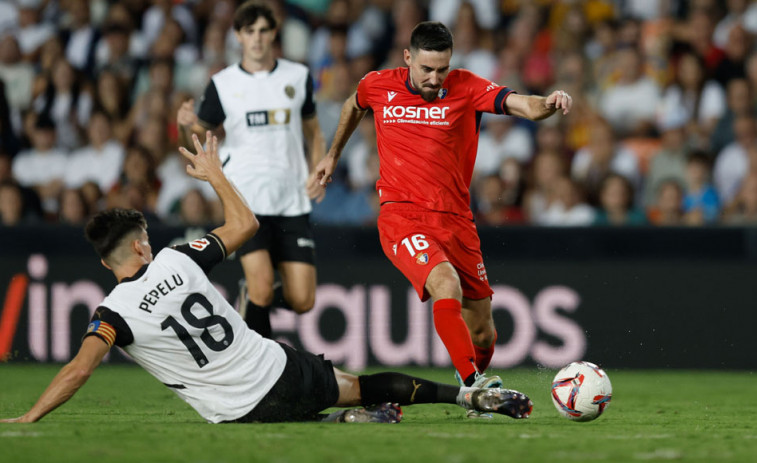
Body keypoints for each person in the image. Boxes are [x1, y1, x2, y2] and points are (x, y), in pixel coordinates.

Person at [0, 132, 532, 425]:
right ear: (142, 244)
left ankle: (331, 423)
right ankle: (463, 397)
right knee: (360, 385)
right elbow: (245, 225)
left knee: (290, 410)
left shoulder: (112, 314)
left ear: (104, 263)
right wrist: (215, 175)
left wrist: (30, 416)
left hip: (237, 414)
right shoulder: (181, 259)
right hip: (279, 371)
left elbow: (78, 370)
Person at [314, 21, 571, 418]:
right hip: (401, 216)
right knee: (444, 282)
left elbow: (523, 104)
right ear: (408, 58)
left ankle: (474, 390)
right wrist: (332, 155)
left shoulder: (467, 87)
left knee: (484, 331)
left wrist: (549, 102)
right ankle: (473, 386)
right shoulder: (378, 84)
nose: (435, 79)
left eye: (442, 69)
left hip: (455, 221)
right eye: (426, 69)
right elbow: (353, 104)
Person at [177, 1, 326, 339]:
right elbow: (197, 141)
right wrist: (184, 126)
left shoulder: (297, 76)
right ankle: (266, 374)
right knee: (260, 291)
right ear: (238, 37)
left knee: (302, 300)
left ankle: (250, 300)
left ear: (274, 33)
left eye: (263, 31)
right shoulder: (223, 84)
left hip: (291, 198)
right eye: (249, 32)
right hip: (245, 198)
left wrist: (319, 167)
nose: (257, 38)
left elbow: (313, 130)